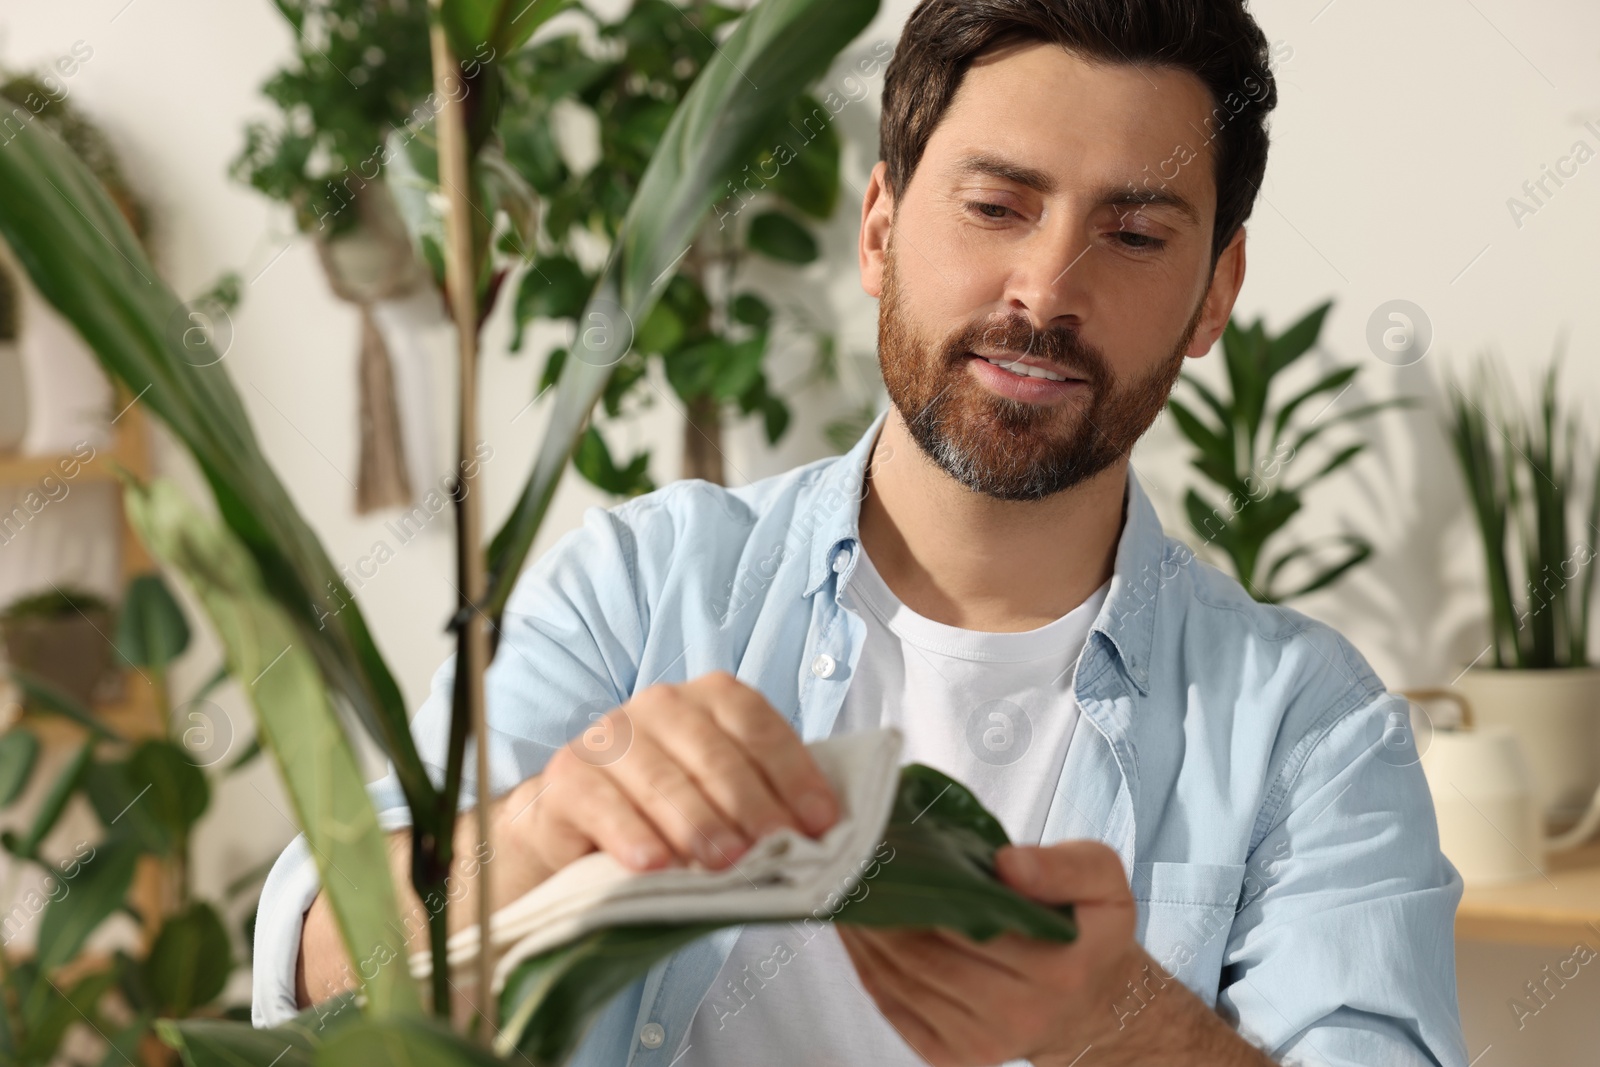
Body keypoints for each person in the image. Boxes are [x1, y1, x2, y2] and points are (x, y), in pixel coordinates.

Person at [254, 1, 1467, 1064]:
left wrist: (1119, 1021)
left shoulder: (1313, 727)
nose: (1046, 289)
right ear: (879, 229)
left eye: (1136, 235)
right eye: (996, 205)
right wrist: (537, 832)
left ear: (1214, 292)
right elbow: (325, 974)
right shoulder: (638, 589)